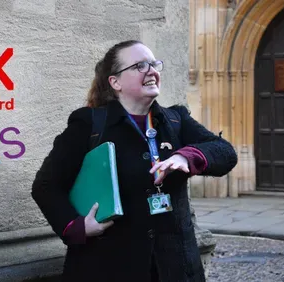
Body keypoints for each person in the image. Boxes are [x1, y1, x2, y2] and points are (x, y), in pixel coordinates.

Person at [31, 40, 238, 282]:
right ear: (115, 82)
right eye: (140, 65)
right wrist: (76, 226)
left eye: (153, 64)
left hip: (176, 268)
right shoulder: (89, 124)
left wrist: (185, 156)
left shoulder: (175, 120)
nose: (151, 70)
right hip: (108, 266)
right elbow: (46, 186)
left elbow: (225, 153)